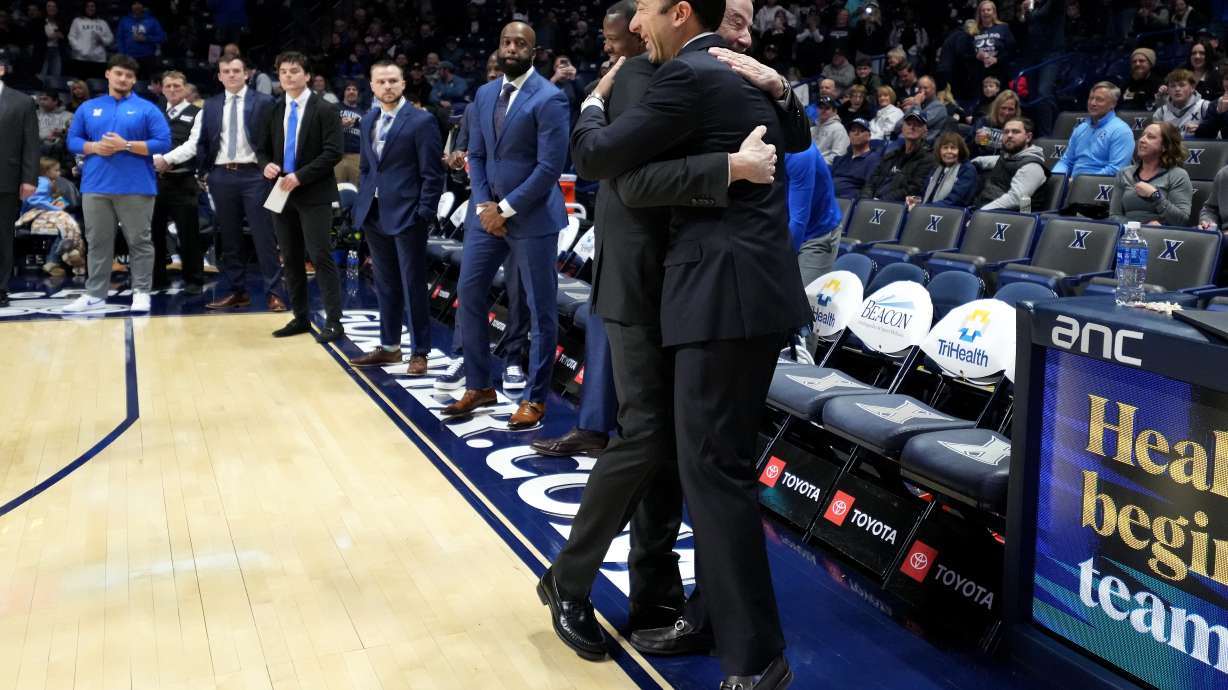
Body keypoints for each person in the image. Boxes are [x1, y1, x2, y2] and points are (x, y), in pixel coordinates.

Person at [561, 0, 810, 684]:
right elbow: (798, 136)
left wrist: (588, 107)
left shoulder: (685, 76)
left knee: (711, 470)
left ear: (675, 12)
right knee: (707, 466)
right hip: (735, 292)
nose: (637, 27)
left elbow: (607, 165)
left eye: (644, 11)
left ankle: (756, 660)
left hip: (717, 293)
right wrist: (765, 116)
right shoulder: (740, 77)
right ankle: (711, 617)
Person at [439, 21, 570, 430]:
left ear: (534, 52)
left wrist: (506, 209)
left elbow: (550, 167)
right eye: (505, 42)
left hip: (531, 219)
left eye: (520, 43)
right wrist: (483, 206)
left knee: (539, 308)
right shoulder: (483, 94)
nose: (511, 48)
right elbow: (475, 155)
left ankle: (535, 399)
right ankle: (479, 384)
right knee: (470, 293)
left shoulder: (550, 98)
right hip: (486, 215)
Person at [346, 61, 443, 372]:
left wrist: (424, 213)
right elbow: (366, 168)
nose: (387, 86)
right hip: (374, 213)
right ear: (372, 86)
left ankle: (420, 352)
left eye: (393, 81)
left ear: (403, 84)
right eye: (381, 81)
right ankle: (389, 347)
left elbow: (432, 173)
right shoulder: (368, 120)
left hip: (408, 215)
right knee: (385, 283)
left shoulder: (421, 121)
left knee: (413, 284)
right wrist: (362, 203)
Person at [62, 53, 171, 314]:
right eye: (119, 73)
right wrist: (95, 147)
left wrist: (127, 146)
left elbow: (163, 142)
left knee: (140, 241)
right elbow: (73, 140)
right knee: (97, 242)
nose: (123, 78)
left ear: (134, 80)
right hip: (95, 186)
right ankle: (95, 294)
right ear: (108, 74)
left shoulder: (147, 108)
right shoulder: (88, 107)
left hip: (137, 186)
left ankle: (142, 291)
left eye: (129, 75)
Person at [260, 51, 345, 343]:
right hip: (281, 192)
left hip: (314, 192)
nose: (288, 76)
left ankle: (334, 322)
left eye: (294, 71)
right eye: (283, 71)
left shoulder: (325, 108)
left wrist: (301, 175)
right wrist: (266, 165)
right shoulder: (273, 109)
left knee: (320, 255)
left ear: (307, 75)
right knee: (290, 258)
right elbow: (261, 149)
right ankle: (300, 317)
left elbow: (334, 152)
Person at [197, 54, 286, 312]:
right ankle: (237, 291)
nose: (232, 74)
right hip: (221, 176)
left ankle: (274, 293)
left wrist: (272, 164)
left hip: (255, 176)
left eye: (236, 70)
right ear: (219, 76)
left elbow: (276, 139)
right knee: (229, 238)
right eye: (226, 71)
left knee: (264, 237)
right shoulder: (211, 105)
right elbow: (204, 140)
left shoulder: (266, 101)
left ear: (246, 73)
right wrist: (205, 171)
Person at [151, 70, 204, 293]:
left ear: (185, 89)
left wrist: (167, 160)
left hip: (183, 180)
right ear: (162, 89)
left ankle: (193, 280)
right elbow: (146, 142)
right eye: (169, 86)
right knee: (153, 234)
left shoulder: (197, 113)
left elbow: (194, 145)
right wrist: (156, 160)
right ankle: (156, 279)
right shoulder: (153, 114)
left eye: (177, 86)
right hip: (154, 181)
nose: (173, 90)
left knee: (188, 233)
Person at [0, 55, 39, 307]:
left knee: (3, 236)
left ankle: (0, 287)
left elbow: (31, 143)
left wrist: (29, 178)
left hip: (6, 178)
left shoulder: (22, 101)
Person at [1109, 121, 1193, 226]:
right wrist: (1138, 227)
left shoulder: (1178, 175)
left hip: (1160, 236)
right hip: (1128, 235)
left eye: (1151, 137)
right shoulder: (1124, 173)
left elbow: (1181, 220)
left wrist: (1155, 196)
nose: (1142, 140)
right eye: (1142, 135)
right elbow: (1114, 216)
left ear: (1165, 146)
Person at [1051, 82, 1135, 178]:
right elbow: (1066, 162)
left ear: (1113, 104)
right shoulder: (1080, 128)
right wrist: (1056, 179)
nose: (1092, 103)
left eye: (1099, 100)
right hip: (1073, 185)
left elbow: (1116, 169)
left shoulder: (1121, 131)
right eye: (1091, 98)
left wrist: (1081, 183)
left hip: (1099, 187)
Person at [790, 141, 843, 286]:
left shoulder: (799, 152)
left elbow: (798, 220)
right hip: (780, 230)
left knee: (801, 298)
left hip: (816, 233)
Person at [973, 116, 1048, 211]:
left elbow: (1015, 199)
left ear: (1028, 137)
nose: (1009, 135)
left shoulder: (1032, 166)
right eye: (1006, 132)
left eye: (1015, 132)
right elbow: (987, 161)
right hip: (988, 208)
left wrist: (979, 213)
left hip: (1011, 218)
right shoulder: (1009, 157)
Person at [862, 108, 936, 201]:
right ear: (902, 128)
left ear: (925, 131)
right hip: (871, 204)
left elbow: (914, 189)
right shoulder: (890, 156)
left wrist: (881, 201)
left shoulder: (928, 159)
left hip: (895, 208)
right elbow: (871, 182)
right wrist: (865, 200)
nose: (912, 127)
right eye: (909, 124)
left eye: (917, 124)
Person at [911, 131, 978, 208]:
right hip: (930, 210)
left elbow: (954, 201)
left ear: (961, 150)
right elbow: (924, 193)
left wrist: (926, 208)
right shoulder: (937, 168)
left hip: (952, 215)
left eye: (953, 148)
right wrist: (916, 200)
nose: (949, 151)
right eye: (945, 148)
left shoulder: (967, 170)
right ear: (939, 151)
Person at [831, 118, 882, 198]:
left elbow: (870, 188)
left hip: (849, 202)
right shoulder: (841, 159)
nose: (856, 133)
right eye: (853, 130)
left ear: (869, 136)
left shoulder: (873, 159)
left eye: (861, 131)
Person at [1153, 68, 1210, 137]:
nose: (1177, 89)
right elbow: (1155, 137)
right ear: (1168, 91)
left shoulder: (1204, 106)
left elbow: (1217, 135)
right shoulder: (1161, 112)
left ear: (1192, 88)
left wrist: (1202, 130)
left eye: (1182, 85)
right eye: (1173, 86)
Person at [115, 2, 164, 78]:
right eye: (134, 4)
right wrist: (123, 55)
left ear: (143, 6)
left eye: (139, 4)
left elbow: (162, 37)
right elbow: (120, 39)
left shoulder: (152, 20)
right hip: (129, 59)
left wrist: (147, 38)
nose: (137, 6)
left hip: (148, 58)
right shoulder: (124, 20)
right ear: (131, 6)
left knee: (147, 84)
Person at [67, 0, 112, 80]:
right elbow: (71, 37)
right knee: (81, 86)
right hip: (81, 59)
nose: (90, 8)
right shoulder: (77, 21)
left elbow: (110, 39)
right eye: (88, 6)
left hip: (99, 60)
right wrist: (80, 50)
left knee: (97, 86)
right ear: (84, 8)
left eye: (92, 6)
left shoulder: (103, 23)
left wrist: (101, 39)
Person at [971, 89, 1020, 154]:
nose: (1006, 113)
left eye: (1011, 109)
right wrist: (975, 142)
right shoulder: (984, 122)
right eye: (1003, 108)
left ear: (1016, 111)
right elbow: (966, 149)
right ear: (997, 107)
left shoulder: (1019, 128)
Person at [335, 82, 363, 185]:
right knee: (337, 190)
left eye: (354, 89)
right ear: (344, 92)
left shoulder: (363, 112)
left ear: (358, 93)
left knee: (356, 189)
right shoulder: (334, 108)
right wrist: (339, 124)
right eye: (348, 89)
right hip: (337, 155)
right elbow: (325, 128)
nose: (351, 91)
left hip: (356, 156)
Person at [813, 95, 849, 163]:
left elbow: (838, 156)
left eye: (827, 108)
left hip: (827, 167)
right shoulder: (812, 129)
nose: (823, 110)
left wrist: (816, 162)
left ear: (835, 111)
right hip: (811, 165)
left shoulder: (839, 129)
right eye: (820, 108)